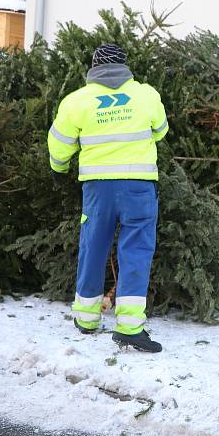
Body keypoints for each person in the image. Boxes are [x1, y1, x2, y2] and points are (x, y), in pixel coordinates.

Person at [47, 43, 168, 353]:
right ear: (124, 66)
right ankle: (129, 327)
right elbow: (161, 131)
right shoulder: (146, 95)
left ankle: (86, 318)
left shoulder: (77, 101)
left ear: (94, 67)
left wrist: (59, 169)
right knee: (136, 252)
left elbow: (58, 146)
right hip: (139, 186)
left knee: (93, 246)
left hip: (97, 189)